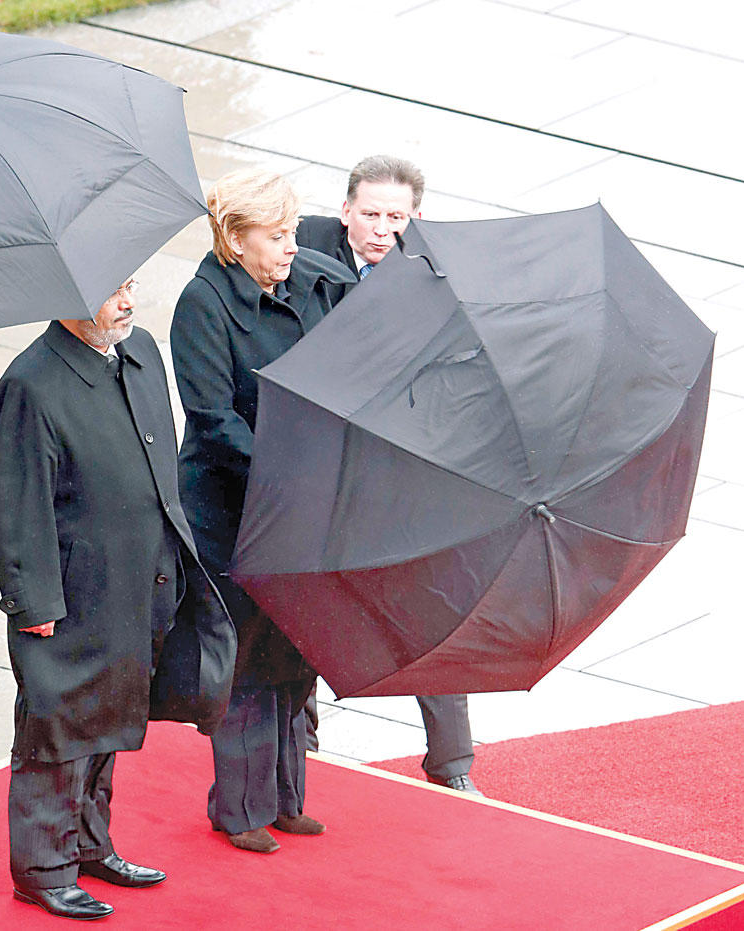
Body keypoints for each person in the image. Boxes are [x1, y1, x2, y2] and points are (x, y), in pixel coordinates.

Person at [0, 279, 236, 920]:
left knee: (111, 717)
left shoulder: (139, 350)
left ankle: (90, 847)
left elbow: (159, 463)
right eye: (112, 291)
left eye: (130, 285)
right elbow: (17, 503)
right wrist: (33, 604)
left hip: (140, 579)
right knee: (58, 729)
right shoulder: (29, 385)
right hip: (71, 597)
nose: (128, 302)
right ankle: (43, 869)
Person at [170, 169, 355, 854]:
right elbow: (212, 418)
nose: (292, 246)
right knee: (245, 656)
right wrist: (287, 476)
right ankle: (239, 807)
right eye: (276, 236)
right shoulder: (203, 303)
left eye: (292, 231)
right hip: (236, 509)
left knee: (294, 650)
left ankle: (286, 798)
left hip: (303, 501)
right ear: (235, 238)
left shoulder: (311, 281)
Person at [297, 154, 482, 796]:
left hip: (402, 467)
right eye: (370, 214)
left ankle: (452, 764)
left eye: (396, 218)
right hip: (319, 465)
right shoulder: (298, 251)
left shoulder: (439, 274)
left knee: (429, 605)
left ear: (416, 217)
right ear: (344, 210)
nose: (382, 229)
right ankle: (298, 746)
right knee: (300, 602)